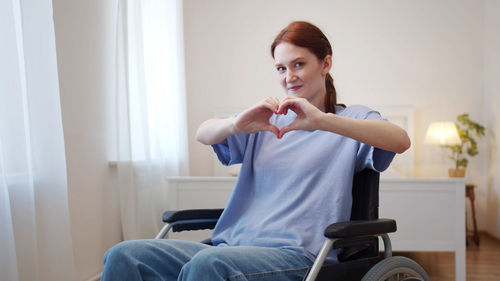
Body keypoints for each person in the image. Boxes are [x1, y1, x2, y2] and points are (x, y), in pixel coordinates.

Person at [101, 21, 410, 281]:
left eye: (299, 64)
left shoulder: (349, 120)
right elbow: (202, 133)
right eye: (281, 68)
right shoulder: (265, 123)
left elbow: (399, 140)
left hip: (298, 255)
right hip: (230, 248)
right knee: (124, 255)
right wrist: (236, 123)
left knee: (207, 267)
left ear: (325, 63)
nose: (289, 76)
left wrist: (323, 121)